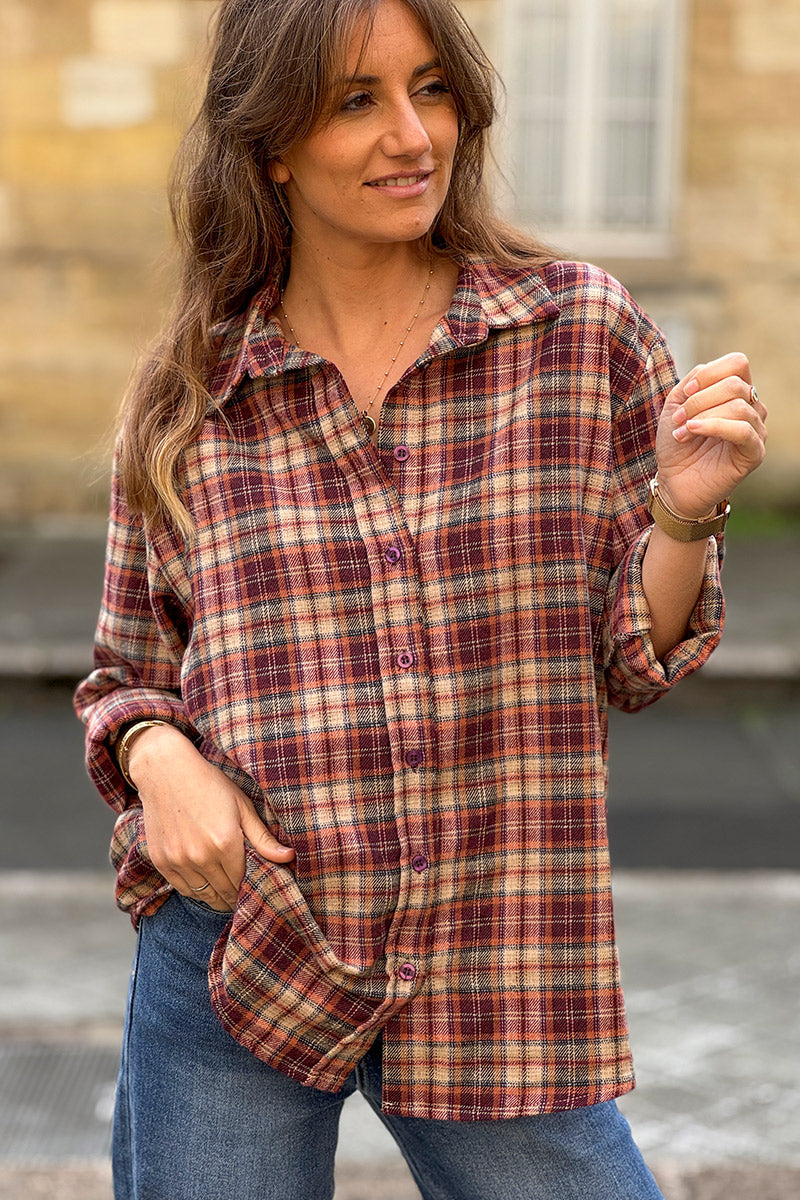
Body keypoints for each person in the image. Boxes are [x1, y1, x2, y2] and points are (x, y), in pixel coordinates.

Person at [74, 0, 767, 1196]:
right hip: (250, 946)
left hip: (491, 967)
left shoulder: (575, 333)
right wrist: (157, 759)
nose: (410, 135)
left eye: (431, 88)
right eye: (357, 100)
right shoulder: (195, 394)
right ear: (272, 140)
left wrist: (682, 509)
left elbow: (634, 659)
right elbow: (127, 676)